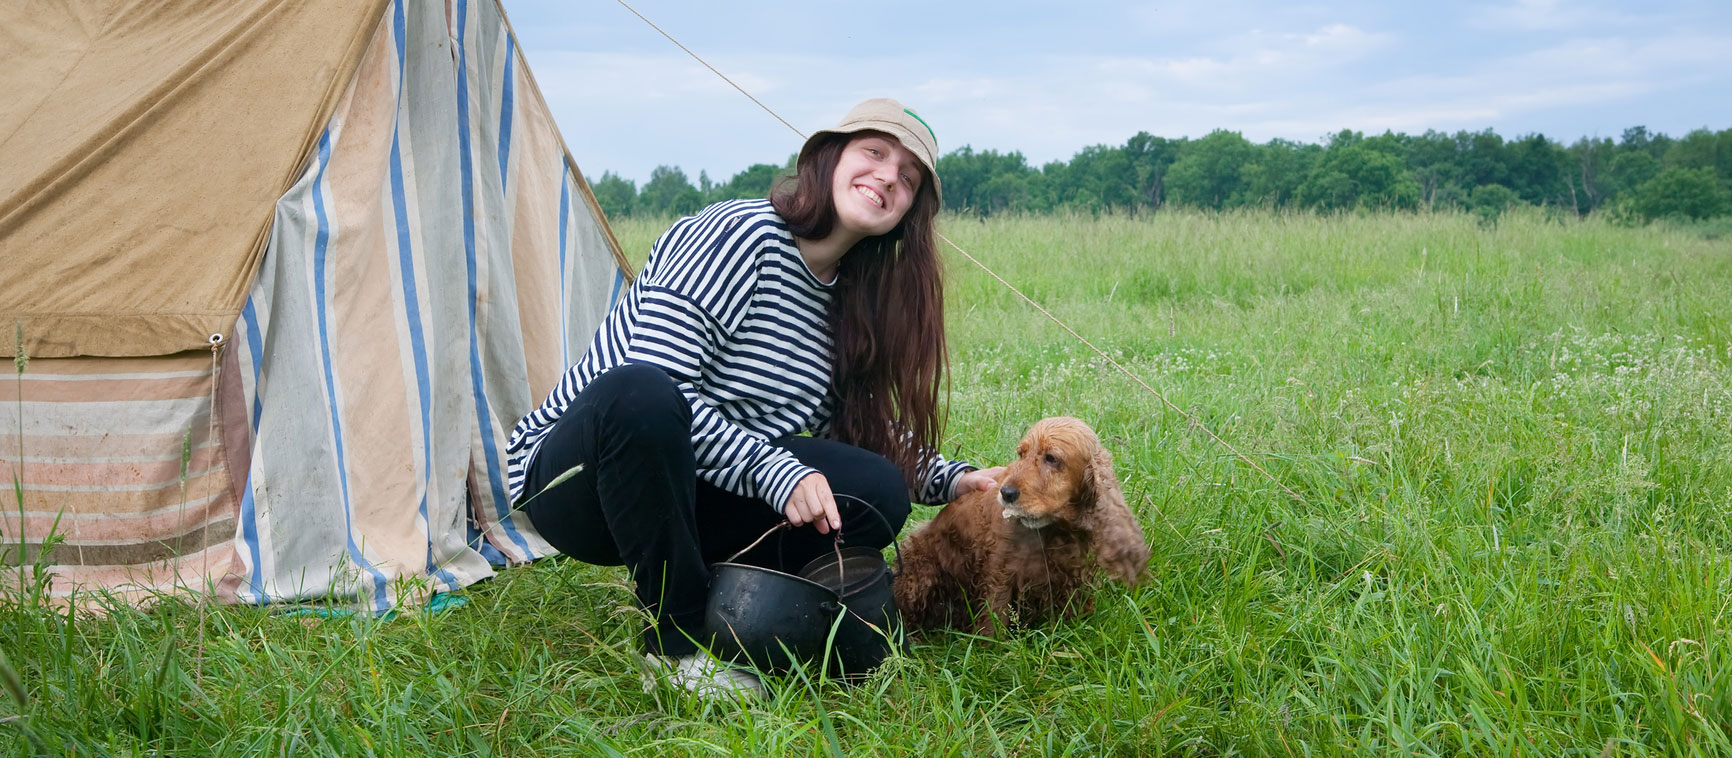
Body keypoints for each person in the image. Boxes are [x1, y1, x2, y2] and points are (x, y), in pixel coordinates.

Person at [505, 99, 1002, 698]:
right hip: (582, 483)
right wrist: (774, 472)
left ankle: (741, 604)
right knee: (641, 393)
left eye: (909, 176)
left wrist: (954, 482)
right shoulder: (737, 236)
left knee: (876, 491)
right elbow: (652, 381)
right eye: (874, 151)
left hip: (695, 487)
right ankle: (677, 643)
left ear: (909, 213)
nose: (889, 175)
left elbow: (858, 428)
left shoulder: (852, 299)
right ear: (828, 156)